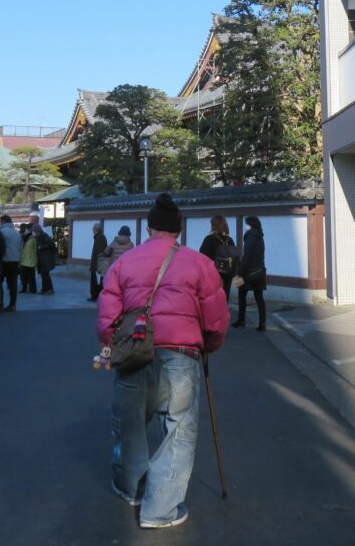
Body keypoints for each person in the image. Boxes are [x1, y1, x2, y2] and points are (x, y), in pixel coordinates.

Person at [97, 193, 228, 530]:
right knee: (178, 429)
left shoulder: (125, 262)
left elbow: (107, 314)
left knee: (130, 424)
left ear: (149, 227)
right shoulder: (199, 264)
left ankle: (131, 488)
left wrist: (109, 346)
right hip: (181, 354)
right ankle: (161, 509)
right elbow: (215, 317)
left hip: (134, 352)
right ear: (179, 230)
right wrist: (210, 345)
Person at [233, 216, 268, 331]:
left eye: (246, 224)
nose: (244, 226)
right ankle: (262, 323)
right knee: (259, 298)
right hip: (259, 271)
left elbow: (246, 257)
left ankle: (241, 320)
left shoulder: (250, 236)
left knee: (241, 295)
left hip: (248, 272)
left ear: (250, 225)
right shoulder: (260, 236)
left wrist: (239, 272)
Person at [198, 216, 240, 302]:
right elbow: (235, 257)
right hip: (228, 274)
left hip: (213, 274)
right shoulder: (230, 240)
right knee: (224, 297)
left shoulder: (209, 239)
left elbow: (202, 257)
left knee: (212, 300)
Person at [0, 214, 23, 312]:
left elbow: (0, 247)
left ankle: (0, 304)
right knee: (13, 284)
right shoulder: (17, 233)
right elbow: (21, 248)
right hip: (15, 261)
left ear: (3, 221)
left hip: (3, 261)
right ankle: (12, 305)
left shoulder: (1, 232)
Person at [29, 212, 57, 294]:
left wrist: (41, 247)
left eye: (34, 231)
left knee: (46, 275)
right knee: (43, 275)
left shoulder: (43, 235)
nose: (33, 232)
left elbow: (51, 244)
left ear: (37, 230)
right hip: (42, 259)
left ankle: (49, 289)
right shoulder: (39, 236)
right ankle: (44, 289)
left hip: (46, 259)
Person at [88, 222, 107, 301]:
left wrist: (97, 266)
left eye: (93, 228)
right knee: (95, 281)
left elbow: (99, 253)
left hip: (98, 265)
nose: (92, 230)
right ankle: (94, 295)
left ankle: (95, 296)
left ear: (96, 229)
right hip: (96, 264)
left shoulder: (100, 238)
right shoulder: (98, 237)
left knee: (97, 281)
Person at [18, 223, 38, 293]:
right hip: (23, 260)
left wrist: (36, 261)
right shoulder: (23, 238)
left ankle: (33, 289)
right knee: (24, 276)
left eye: (28, 229)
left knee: (31, 276)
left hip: (30, 260)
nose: (26, 231)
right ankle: (24, 288)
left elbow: (36, 250)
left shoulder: (33, 239)